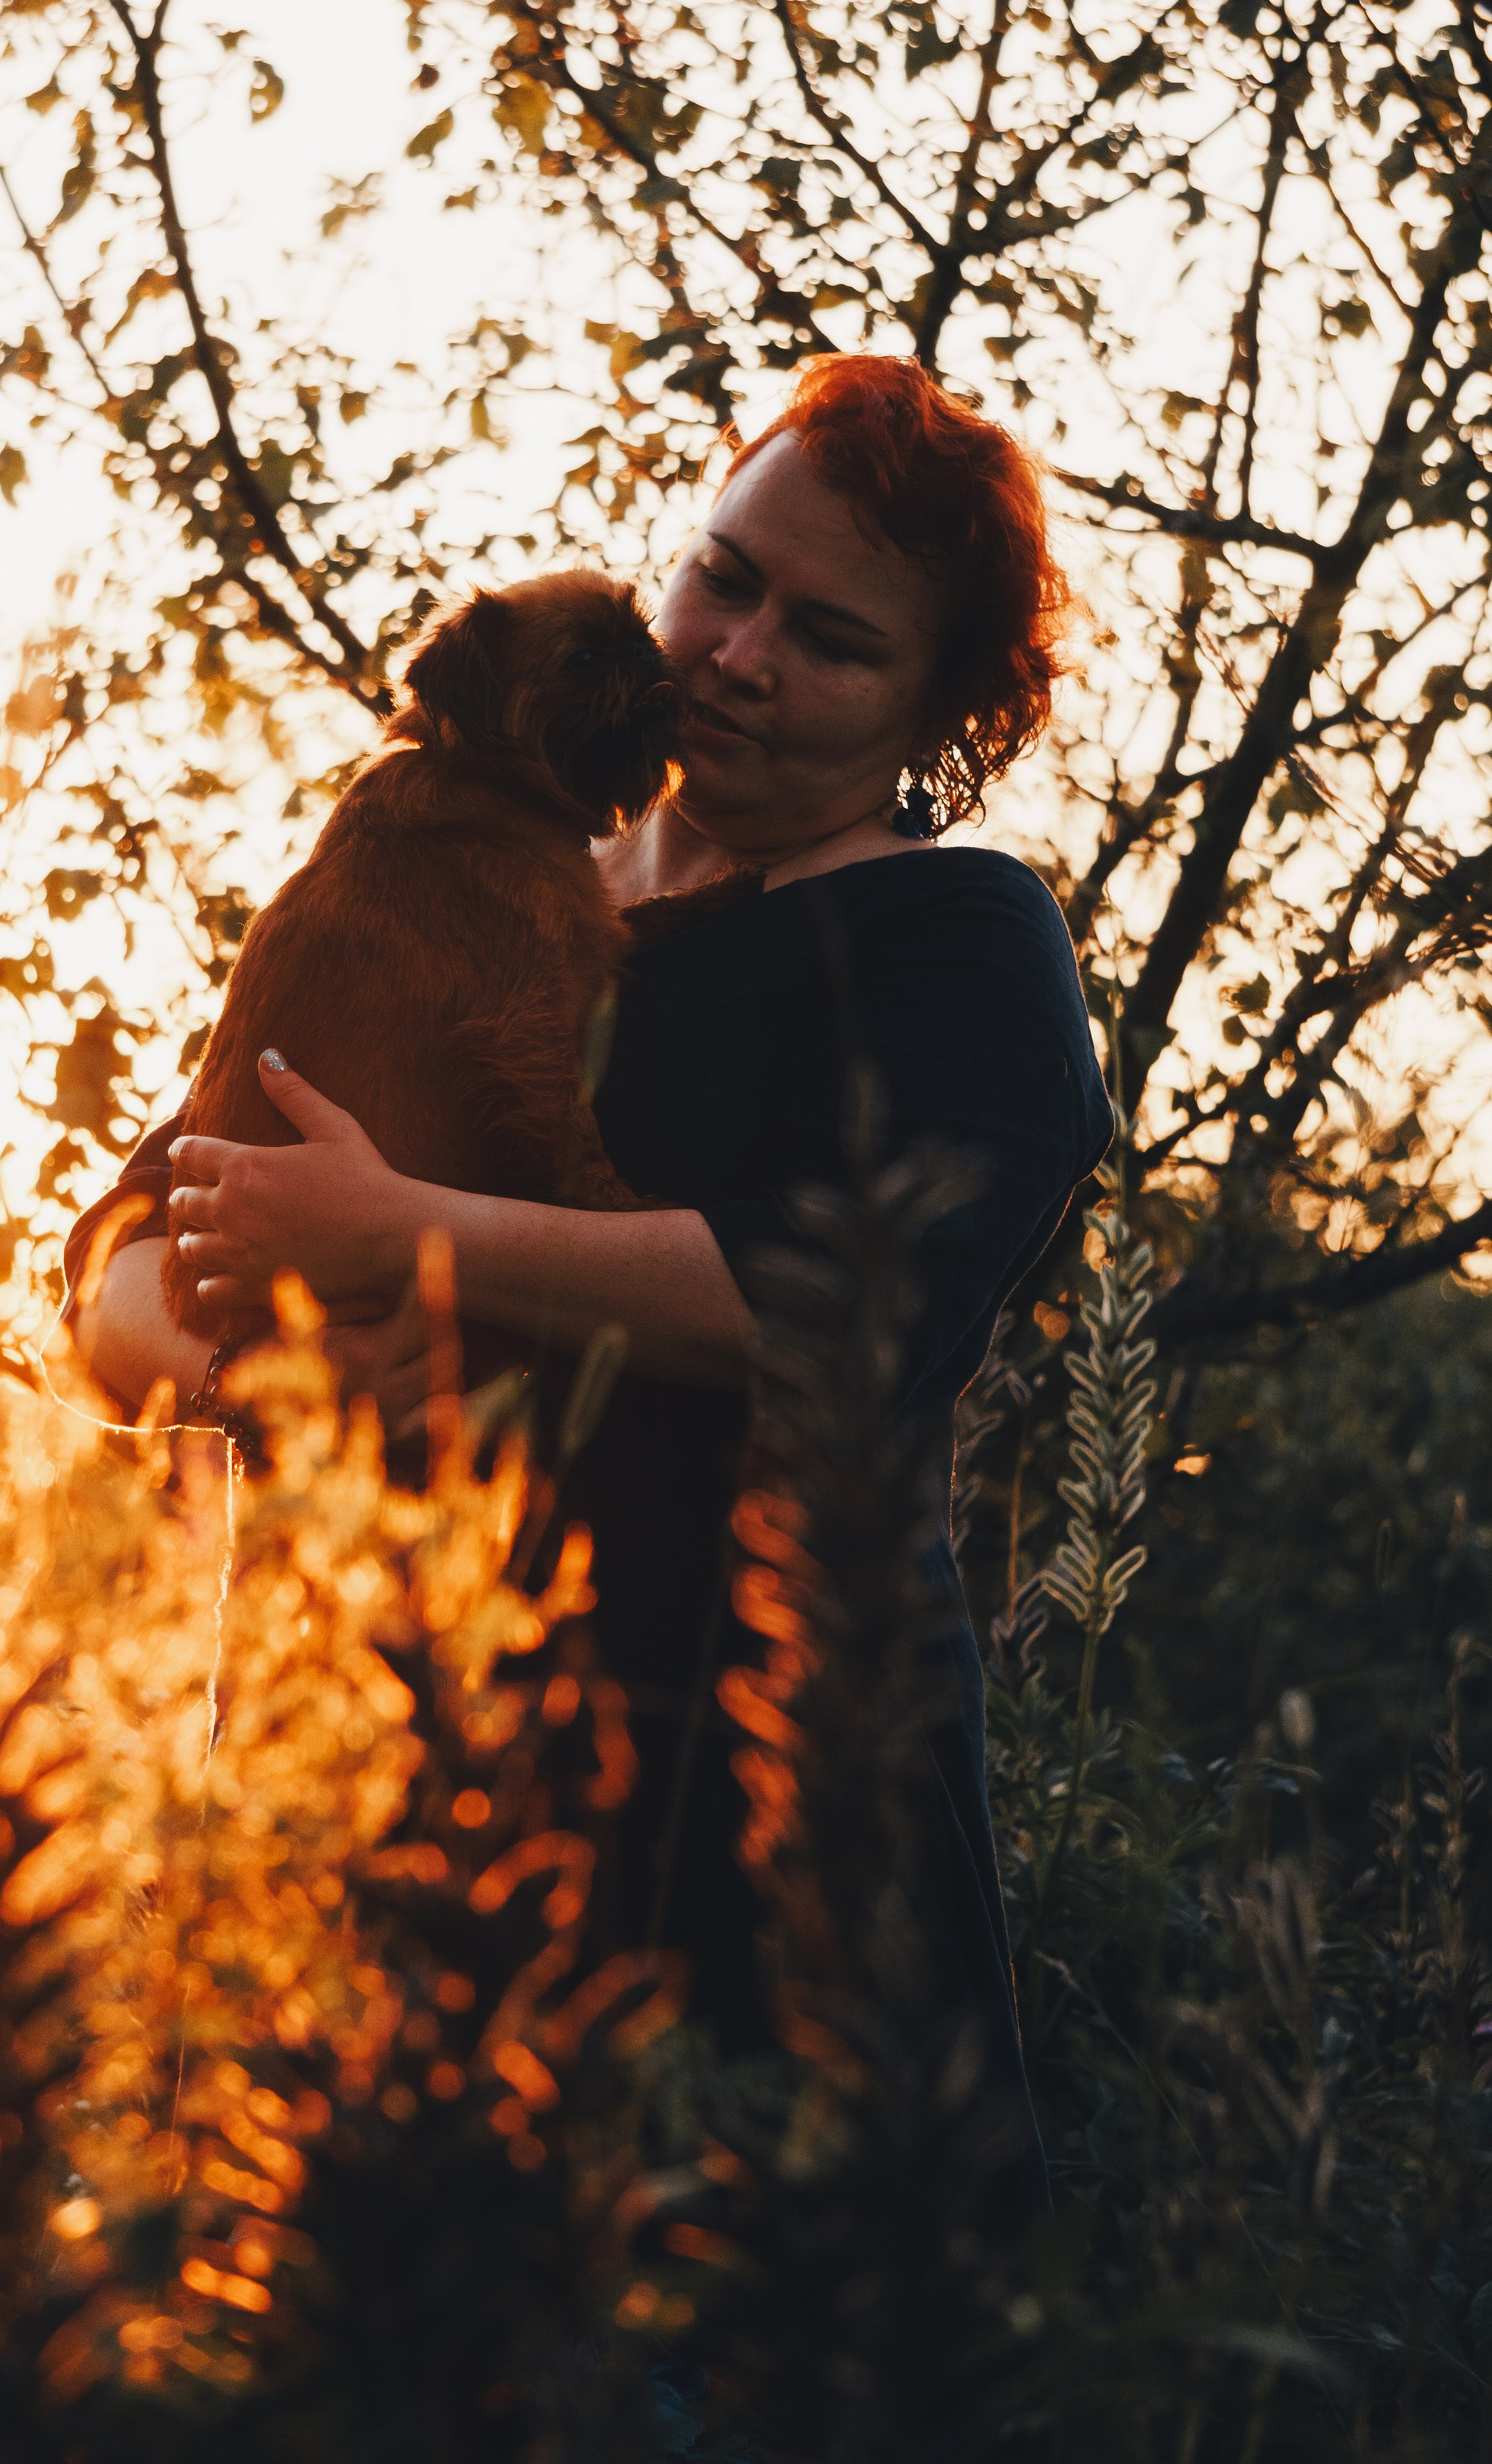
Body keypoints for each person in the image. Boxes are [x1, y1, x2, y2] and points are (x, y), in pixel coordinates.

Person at [59, 353, 1112, 2216]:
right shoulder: (442, 865)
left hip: (739, 1857)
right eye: (724, 577)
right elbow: (118, 1261)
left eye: (833, 638)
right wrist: (260, 1365)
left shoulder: (954, 945)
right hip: (368, 1818)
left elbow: (849, 1303)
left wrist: (406, 1246)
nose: (734, 654)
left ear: (936, 708)